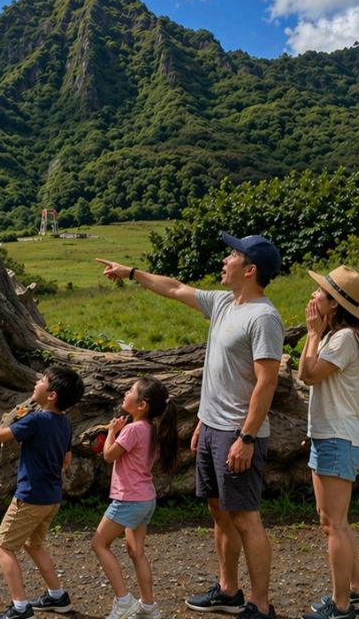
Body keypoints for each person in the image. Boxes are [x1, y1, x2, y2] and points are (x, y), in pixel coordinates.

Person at [98, 232, 285, 619]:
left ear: (250, 269)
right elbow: (175, 288)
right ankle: (229, 590)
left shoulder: (263, 317)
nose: (225, 260)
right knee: (219, 512)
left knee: (246, 517)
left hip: (238, 433)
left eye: (232, 255)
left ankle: (261, 605)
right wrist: (131, 272)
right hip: (213, 428)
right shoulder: (223, 303)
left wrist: (247, 437)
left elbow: (267, 382)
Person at [0, 365, 86, 619]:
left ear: (52, 394)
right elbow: (66, 461)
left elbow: (1, 436)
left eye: (42, 380)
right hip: (51, 497)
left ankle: (21, 608)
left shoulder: (36, 421)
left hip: (30, 497)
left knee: (2, 545)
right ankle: (58, 596)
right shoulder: (64, 422)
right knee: (34, 544)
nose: (37, 381)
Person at [296, 266, 359, 619]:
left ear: (335, 303)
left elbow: (308, 375)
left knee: (334, 525)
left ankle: (341, 606)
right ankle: (358, 592)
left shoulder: (343, 338)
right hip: (331, 436)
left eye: (320, 292)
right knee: (334, 521)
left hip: (338, 438)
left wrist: (312, 334)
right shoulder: (337, 335)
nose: (313, 296)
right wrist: (316, 334)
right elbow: (308, 373)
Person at [91, 376, 180, 619]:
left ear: (142, 405)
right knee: (136, 552)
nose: (125, 392)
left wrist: (112, 431)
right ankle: (148, 607)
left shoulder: (132, 429)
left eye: (130, 390)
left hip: (128, 499)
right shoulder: (152, 429)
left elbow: (109, 455)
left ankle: (123, 602)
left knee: (99, 544)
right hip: (145, 499)